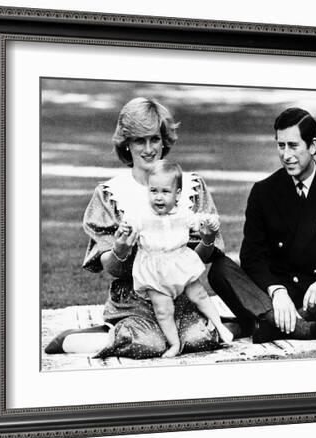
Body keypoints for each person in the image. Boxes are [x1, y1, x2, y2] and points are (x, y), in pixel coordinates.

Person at [45, 97, 227, 358]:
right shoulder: (111, 194)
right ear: (126, 145)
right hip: (133, 299)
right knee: (150, 344)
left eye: (154, 138)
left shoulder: (189, 187)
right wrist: (119, 249)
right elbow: (112, 269)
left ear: (164, 140)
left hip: (181, 295)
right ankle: (78, 338)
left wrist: (207, 240)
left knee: (197, 339)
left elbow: (195, 260)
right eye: (139, 140)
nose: (149, 148)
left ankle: (212, 325)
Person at [209, 107, 316, 342]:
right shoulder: (263, 191)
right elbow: (251, 256)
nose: (286, 155)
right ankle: (308, 328)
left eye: (293, 145)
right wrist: (277, 291)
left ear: (314, 145)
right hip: (273, 297)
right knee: (219, 270)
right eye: (280, 145)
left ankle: (260, 323)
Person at [123, 160, 233, 357]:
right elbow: (130, 225)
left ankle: (219, 326)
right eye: (153, 191)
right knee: (163, 309)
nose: (158, 197)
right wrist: (125, 229)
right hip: (153, 270)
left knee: (198, 294)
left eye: (165, 192)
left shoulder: (182, 212)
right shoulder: (142, 215)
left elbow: (198, 222)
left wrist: (207, 224)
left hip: (179, 262)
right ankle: (174, 344)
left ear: (178, 194)